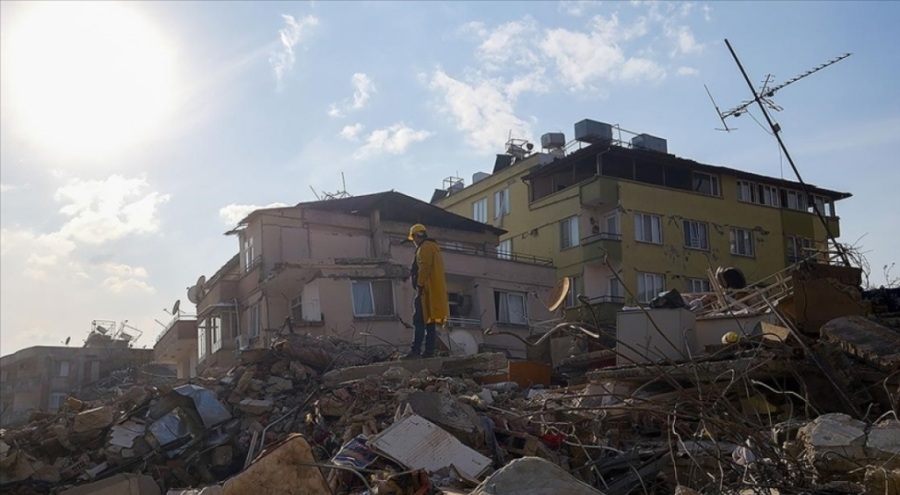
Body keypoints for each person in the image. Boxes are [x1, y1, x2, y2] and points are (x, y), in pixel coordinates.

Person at [404, 223, 449, 359]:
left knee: (419, 321)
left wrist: (419, 284)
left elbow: (424, 268)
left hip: (426, 291)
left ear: (417, 236)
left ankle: (415, 351)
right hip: (431, 292)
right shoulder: (434, 247)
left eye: (414, 238)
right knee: (429, 322)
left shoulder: (425, 248)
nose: (414, 242)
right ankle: (429, 351)